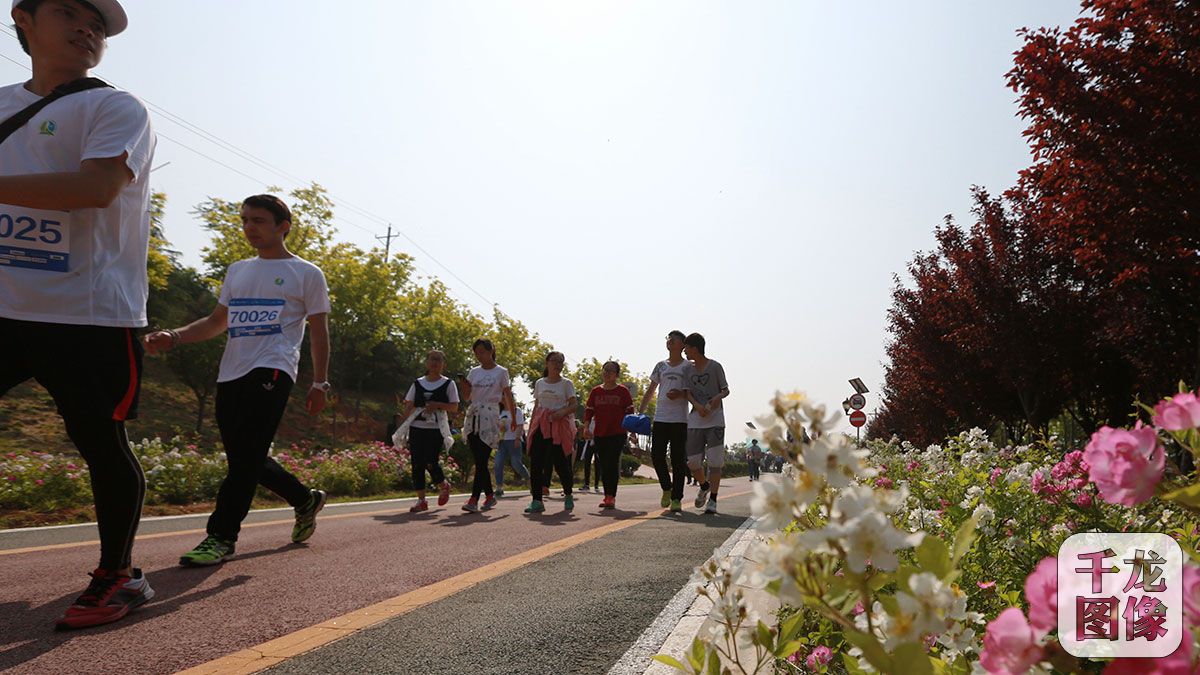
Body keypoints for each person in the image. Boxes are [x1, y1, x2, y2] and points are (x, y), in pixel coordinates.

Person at [0, 0, 155, 630]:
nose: (88, 27)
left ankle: (117, 575)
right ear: (24, 18)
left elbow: (94, 190)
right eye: (68, 11)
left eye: (99, 24)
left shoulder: (115, 108)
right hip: (6, 309)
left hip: (89, 314)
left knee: (100, 443)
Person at [145, 195, 331, 566]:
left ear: (283, 226)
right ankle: (304, 499)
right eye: (245, 220)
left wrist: (319, 382)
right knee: (246, 457)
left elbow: (319, 331)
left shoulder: (306, 273)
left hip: (273, 368)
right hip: (232, 371)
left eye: (258, 220)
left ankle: (221, 536)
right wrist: (175, 336)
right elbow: (217, 322)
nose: (249, 227)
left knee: (245, 456)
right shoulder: (238, 270)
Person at [394, 350, 457, 512]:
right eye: (432, 359)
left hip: (436, 429)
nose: (435, 363)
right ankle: (421, 500)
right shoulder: (417, 383)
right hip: (417, 427)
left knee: (431, 461)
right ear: (426, 362)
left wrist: (437, 405)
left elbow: (454, 407)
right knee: (416, 464)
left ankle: (443, 485)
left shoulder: (448, 384)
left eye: (438, 360)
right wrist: (401, 426)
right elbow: (408, 405)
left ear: (444, 364)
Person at [459, 338, 516, 513]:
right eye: (476, 353)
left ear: (491, 351)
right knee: (479, 460)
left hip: (490, 415)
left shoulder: (501, 372)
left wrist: (513, 417)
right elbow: (467, 397)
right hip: (474, 415)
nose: (479, 356)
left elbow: (507, 395)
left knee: (482, 458)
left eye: (482, 352)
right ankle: (490, 496)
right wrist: (465, 387)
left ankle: (474, 498)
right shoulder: (474, 372)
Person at [639, 330, 690, 512]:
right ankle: (666, 488)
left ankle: (677, 498)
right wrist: (641, 412)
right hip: (661, 418)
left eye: (674, 339)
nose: (670, 341)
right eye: (668, 338)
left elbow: (693, 392)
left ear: (683, 344)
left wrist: (680, 393)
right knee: (656, 456)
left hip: (680, 420)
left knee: (678, 460)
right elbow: (651, 389)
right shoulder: (660, 366)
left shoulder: (687, 367)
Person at [682, 333, 729, 514]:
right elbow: (687, 393)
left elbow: (725, 390)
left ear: (695, 348)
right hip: (696, 418)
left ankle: (713, 501)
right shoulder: (688, 370)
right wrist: (697, 406)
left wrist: (717, 397)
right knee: (693, 462)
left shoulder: (715, 367)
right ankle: (704, 485)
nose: (685, 351)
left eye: (686, 348)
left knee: (715, 462)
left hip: (715, 419)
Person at [524, 351, 576, 513]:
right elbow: (536, 405)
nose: (557, 364)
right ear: (547, 363)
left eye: (561, 361)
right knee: (536, 462)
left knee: (560, 463)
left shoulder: (566, 384)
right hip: (541, 424)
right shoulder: (540, 383)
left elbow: (574, 405)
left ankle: (568, 494)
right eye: (554, 361)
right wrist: (532, 426)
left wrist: (562, 412)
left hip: (558, 426)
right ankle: (537, 500)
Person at [583, 362, 634, 509]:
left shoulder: (623, 392)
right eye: (605, 370)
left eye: (611, 371)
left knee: (612, 463)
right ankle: (607, 495)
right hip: (600, 433)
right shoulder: (596, 391)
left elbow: (630, 413)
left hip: (617, 433)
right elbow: (589, 411)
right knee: (604, 465)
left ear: (617, 375)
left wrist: (632, 434)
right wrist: (586, 428)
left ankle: (611, 496)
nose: (607, 373)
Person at [494, 406, 530, 497]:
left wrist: (517, 438)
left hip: (513, 439)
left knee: (516, 463)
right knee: (498, 462)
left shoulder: (516, 410)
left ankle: (529, 479)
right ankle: (499, 487)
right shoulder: (499, 411)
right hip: (501, 441)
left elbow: (520, 425)